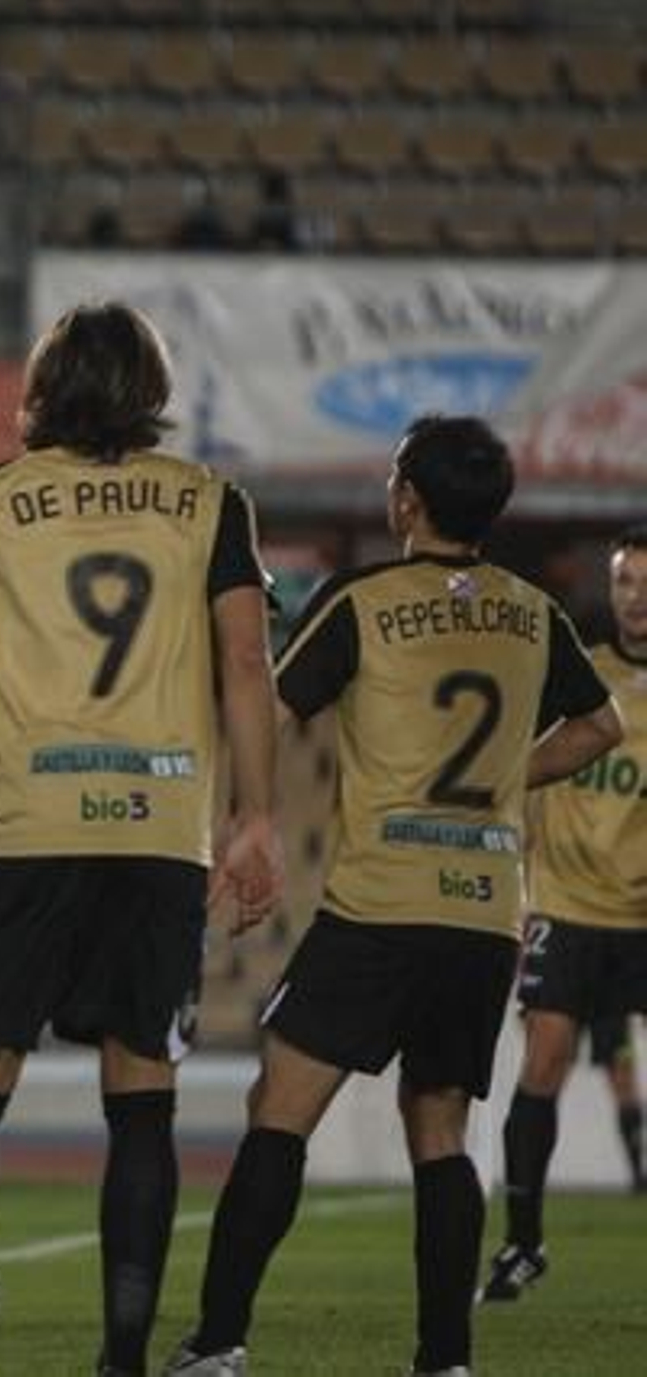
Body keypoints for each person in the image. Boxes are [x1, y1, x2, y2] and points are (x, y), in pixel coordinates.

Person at [165, 416, 621, 1377]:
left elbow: (277, 710)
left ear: (407, 499)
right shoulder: (534, 611)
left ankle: (217, 1342)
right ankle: (444, 1360)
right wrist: (505, 781)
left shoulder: (365, 600)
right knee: (441, 1125)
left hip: (379, 903)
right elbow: (599, 728)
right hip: (485, 911)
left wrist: (248, 818)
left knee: (278, 1106)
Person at [0, 301, 285, 1376]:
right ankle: (120, 1363)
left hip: (26, 830)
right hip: (158, 834)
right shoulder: (211, 504)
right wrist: (253, 818)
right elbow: (246, 668)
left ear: (47, 385)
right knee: (140, 1102)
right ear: (149, 391)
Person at [480, 526, 647, 1302]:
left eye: (646, 583)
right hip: (569, 907)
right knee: (543, 1059)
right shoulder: (579, 674)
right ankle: (522, 1242)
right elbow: (524, 770)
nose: (635, 598)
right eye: (624, 581)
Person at [587, 1014, 646, 1194]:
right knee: (626, 1093)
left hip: (612, 1022)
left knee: (626, 1094)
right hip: (608, 1022)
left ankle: (637, 1174)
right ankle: (637, 1174)